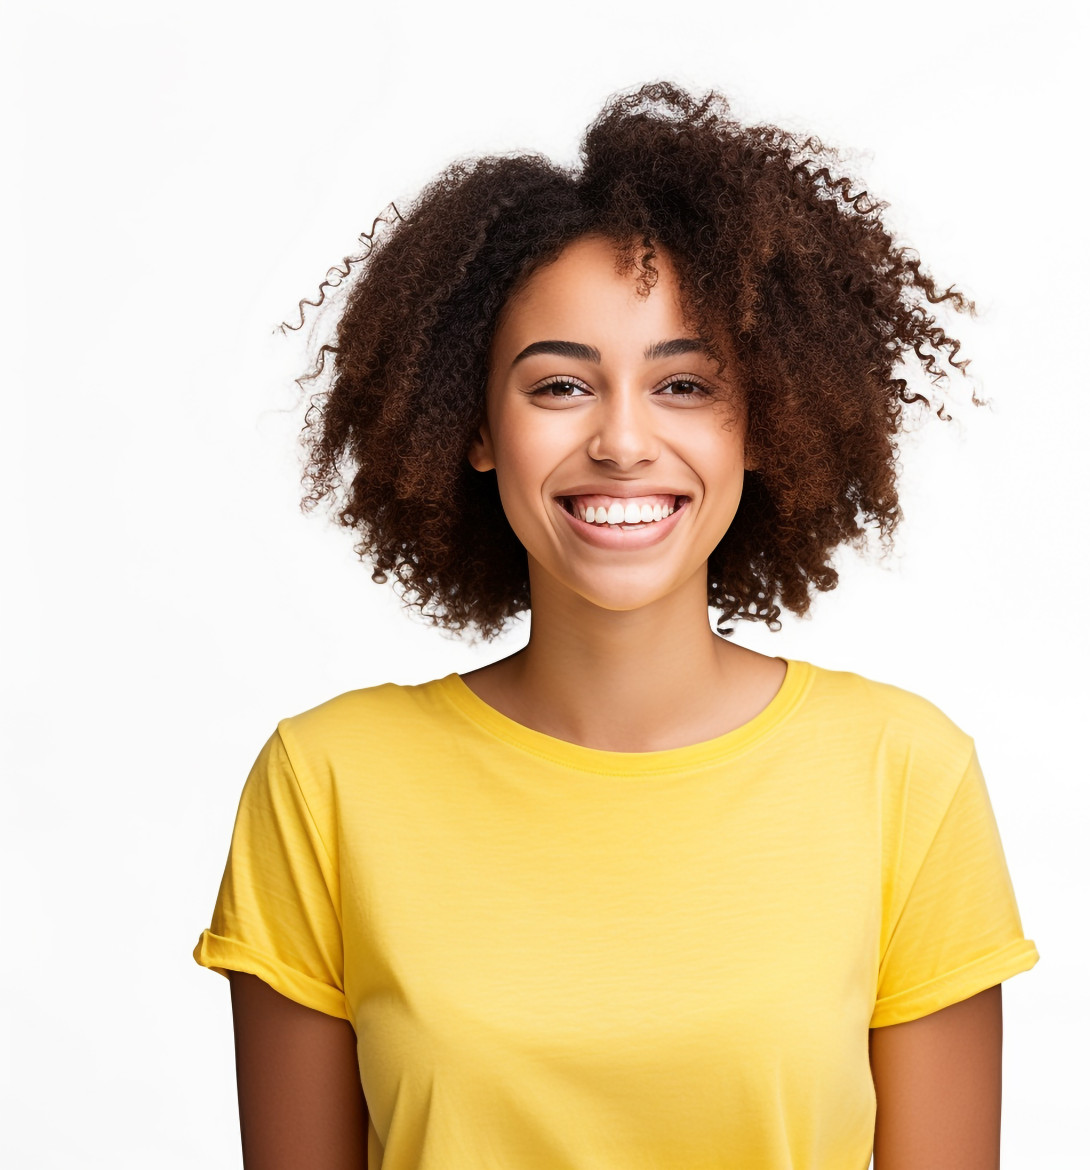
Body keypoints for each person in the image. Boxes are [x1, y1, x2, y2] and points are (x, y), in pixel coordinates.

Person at [193, 81, 1039, 1170]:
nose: (623, 441)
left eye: (683, 383)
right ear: (475, 428)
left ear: (764, 419)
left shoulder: (902, 776)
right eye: (559, 388)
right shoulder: (326, 783)